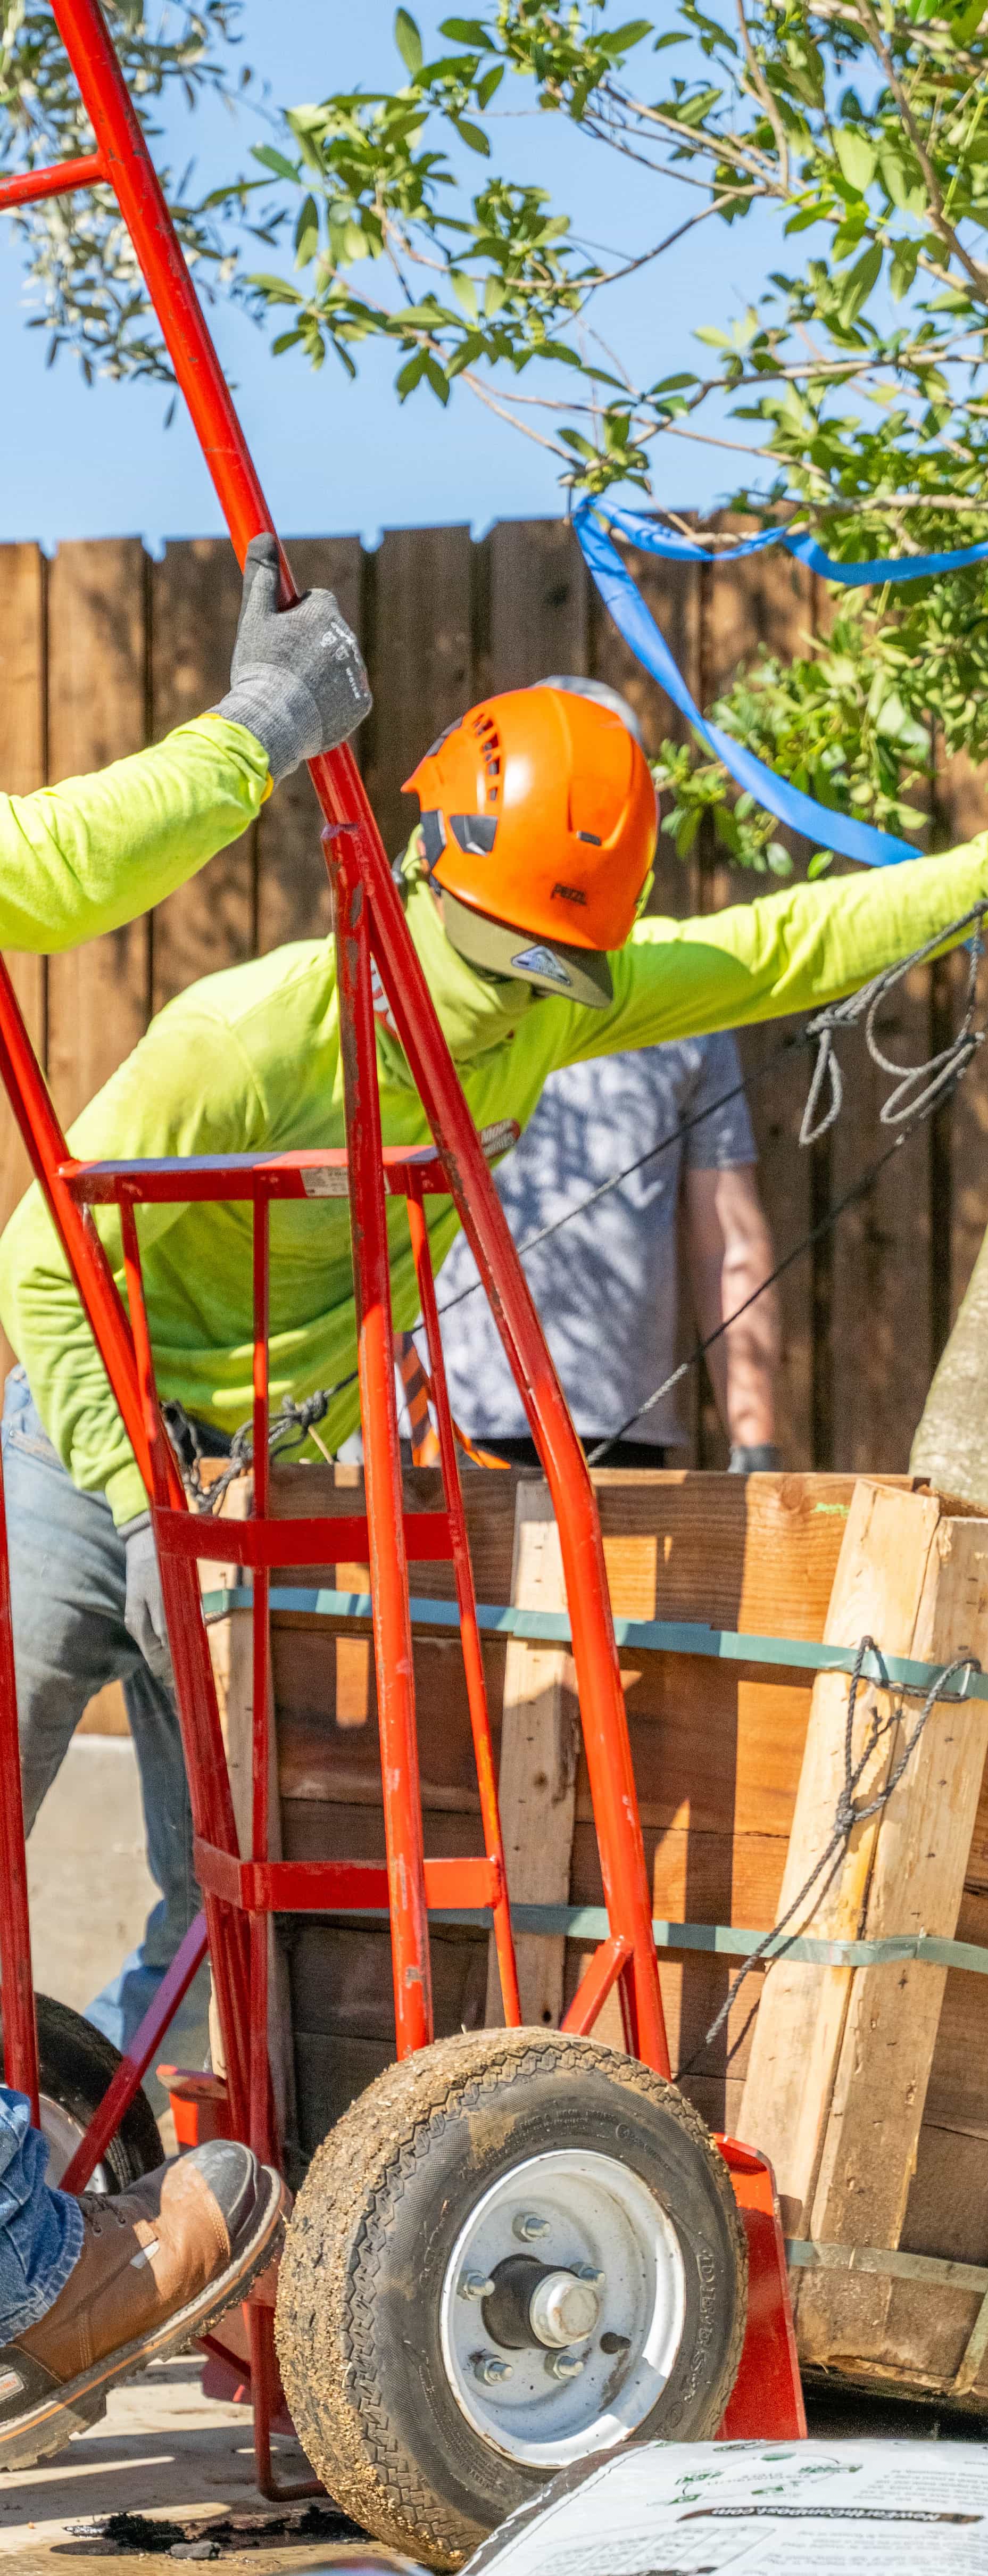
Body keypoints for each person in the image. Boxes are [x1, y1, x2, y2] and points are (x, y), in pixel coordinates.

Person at [0, 692, 988, 2278]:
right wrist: (139, 1487)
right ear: (417, 873)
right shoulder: (246, 1034)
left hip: (272, 1489)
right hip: (81, 1456)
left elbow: (774, 948)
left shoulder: (553, 1007)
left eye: (561, 971)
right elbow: (43, 1267)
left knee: (242, 1895)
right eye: (505, 965)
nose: (519, 1004)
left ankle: (146, 2206)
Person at [0, 532, 367, 2461]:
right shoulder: (229, 1042)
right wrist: (250, 734)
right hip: (77, 1430)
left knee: (192, 1873)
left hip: (169, 1441)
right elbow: (36, 869)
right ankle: (20, 2284)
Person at [433, 678, 783, 1470]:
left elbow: (726, 1238)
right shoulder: (440, 977)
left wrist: (756, 1440)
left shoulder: (680, 998)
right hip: (439, 1425)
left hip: (622, 1431)